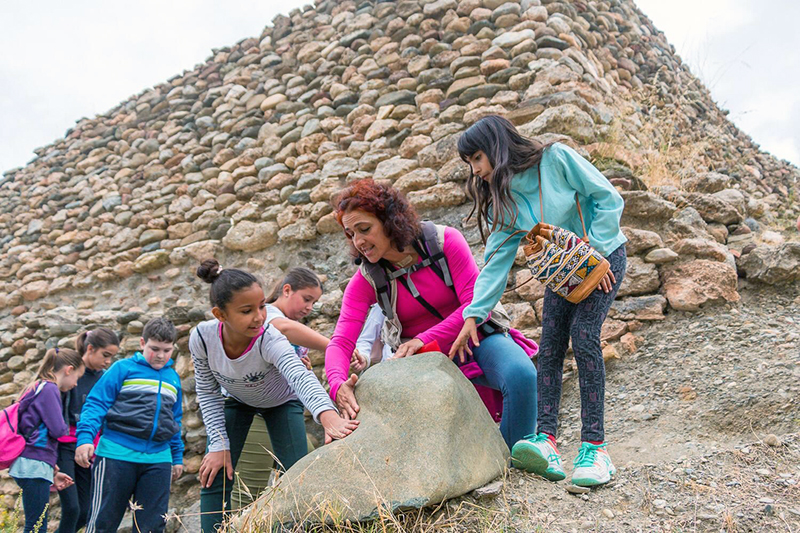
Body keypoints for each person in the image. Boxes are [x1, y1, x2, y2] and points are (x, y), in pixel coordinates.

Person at [450, 115, 627, 487]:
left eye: (477, 158)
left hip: (601, 259)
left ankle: (596, 448)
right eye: (470, 163)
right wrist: (474, 315)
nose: (476, 169)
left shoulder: (556, 159)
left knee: (583, 335)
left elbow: (607, 197)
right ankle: (545, 441)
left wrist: (596, 254)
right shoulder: (504, 201)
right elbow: (496, 261)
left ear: (496, 148)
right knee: (548, 349)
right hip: (561, 274)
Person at [325, 179, 538, 451]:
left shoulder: (444, 240)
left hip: (476, 339)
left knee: (521, 375)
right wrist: (337, 384)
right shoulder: (367, 279)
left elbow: (475, 304)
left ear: (390, 220)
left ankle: (515, 465)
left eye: (364, 229)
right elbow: (341, 341)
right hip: (425, 364)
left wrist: (421, 339)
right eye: (350, 234)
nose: (358, 242)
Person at [190, 259, 359, 532]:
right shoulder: (201, 338)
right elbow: (208, 392)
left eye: (260, 307)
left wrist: (328, 416)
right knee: (217, 471)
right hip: (238, 401)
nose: (259, 317)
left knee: (297, 474)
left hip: (282, 402)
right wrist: (218, 443)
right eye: (246, 311)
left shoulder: (268, 336)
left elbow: (299, 375)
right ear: (220, 315)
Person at [76, 318, 184, 533]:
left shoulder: (173, 378)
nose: (161, 355)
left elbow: (174, 420)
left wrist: (177, 457)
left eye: (167, 350)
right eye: (154, 349)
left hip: (158, 460)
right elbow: (96, 404)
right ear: (142, 343)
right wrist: (85, 438)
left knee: (152, 527)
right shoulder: (122, 369)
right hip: (116, 455)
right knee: (102, 523)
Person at [10, 348, 84, 533]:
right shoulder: (50, 388)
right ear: (68, 370)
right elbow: (58, 429)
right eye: (77, 377)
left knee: (36, 522)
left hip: (32, 463)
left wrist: (53, 469)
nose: (75, 384)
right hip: (34, 464)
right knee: (36, 525)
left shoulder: (37, 386)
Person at [56, 328, 119, 533]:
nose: (108, 361)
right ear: (90, 349)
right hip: (64, 448)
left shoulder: (105, 378)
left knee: (86, 510)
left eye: (112, 357)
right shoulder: (70, 373)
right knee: (72, 508)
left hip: (88, 449)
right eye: (105, 355)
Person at [266, 266, 366, 372]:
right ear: (287, 290)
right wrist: (336, 347)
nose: (310, 307)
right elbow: (284, 327)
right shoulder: (267, 313)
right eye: (306, 299)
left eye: (313, 303)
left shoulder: (291, 321)